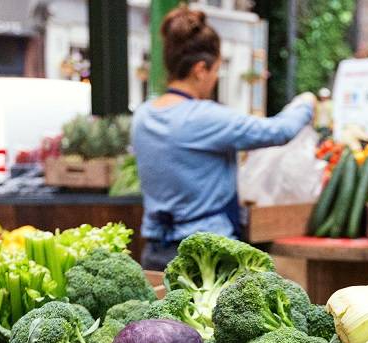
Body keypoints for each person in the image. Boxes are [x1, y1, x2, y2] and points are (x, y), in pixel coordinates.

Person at [132, 7, 316, 270]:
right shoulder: (205, 117)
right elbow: (279, 131)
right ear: (200, 69)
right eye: (216, 70)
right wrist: (305, 104)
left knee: (160, 312)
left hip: (155, 254)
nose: (215, 79)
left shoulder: (143, 115)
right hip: (208, 257)